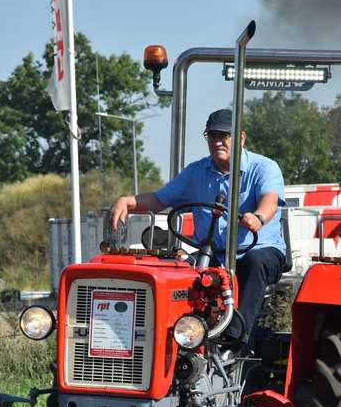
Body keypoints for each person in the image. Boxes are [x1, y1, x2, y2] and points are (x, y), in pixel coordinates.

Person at [108, 108, 286, 355]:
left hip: (259, 251)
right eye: (212, 136)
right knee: (181, 272)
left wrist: (257, 217)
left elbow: (270, 199)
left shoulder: (263, 167)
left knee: (254, 263)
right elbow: (160, 200)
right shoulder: (196, 172)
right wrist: (127, 201)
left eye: (224, 136)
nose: (217, 142)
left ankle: (234, 344)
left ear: (241, 138)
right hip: (215, 255)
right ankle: (171, 341)